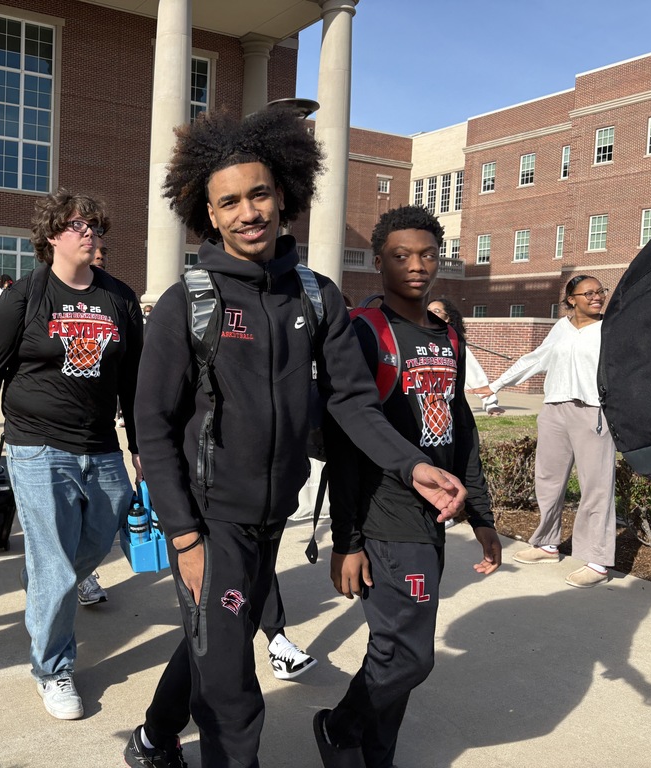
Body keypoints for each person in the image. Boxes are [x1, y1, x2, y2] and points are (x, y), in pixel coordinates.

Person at [124, 108, 467, 768]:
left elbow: (353, 405)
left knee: (215, 638)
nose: (248, 211)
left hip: (274, 514)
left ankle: (152, 737)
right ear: (210, 214)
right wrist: (185, 536)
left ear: (283, 192)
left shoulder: (317, 297)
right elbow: (153, 428)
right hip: (209, 518)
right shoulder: (188, 302)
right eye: (230, 202)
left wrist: (410, 465)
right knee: (230, 688)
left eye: (258, 193)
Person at [315, 206, 501, 768]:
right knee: (411, 659)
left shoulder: (446, 337)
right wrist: (346, 538)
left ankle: (377, 754)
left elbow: (460, 425)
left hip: (434, 515)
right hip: (383, 511)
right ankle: (340, 728)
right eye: (401, 256)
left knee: (394, 648)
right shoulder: (364, 333)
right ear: (378, 263)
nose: (416, 265)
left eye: (426, 254)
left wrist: (485, 517)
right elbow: (345, 439)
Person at [0, 189, 144, 721]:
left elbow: (133, 382)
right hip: (36, 445)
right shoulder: (24, 297)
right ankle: (53, 669)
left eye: (96, 227)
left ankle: (43, 583)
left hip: (101, 445)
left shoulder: (121, 299)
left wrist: (139, 448)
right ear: (52, 234)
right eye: (79, 225)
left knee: (98, 540)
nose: (91, 234)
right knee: (57, 565)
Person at [471, 275, 615, 588]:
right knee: (548, 481)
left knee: (596, 486)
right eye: (588, 293)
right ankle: (548, 545)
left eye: (600, 291)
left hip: (592, 412)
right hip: (554, 411)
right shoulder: (561, 327)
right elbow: (534, 360)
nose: (597, 297)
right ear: (571, 299)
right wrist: (495, 385)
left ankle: (597, 560)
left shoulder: (610, 328)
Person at [428, 298, 504, 415]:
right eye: (427, 310)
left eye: (436, 311)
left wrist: (490, 404)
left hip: (441, 406)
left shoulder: (454, 344)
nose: (430, 314)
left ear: (448, 318)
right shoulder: (411, 337)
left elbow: (474, 373)